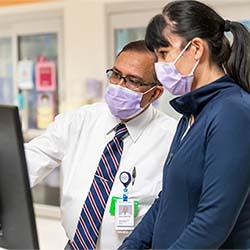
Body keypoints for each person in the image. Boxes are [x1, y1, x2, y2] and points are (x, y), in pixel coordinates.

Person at [118, 1, 250, 249]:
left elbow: (212, 223)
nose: (159, 67)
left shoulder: (234, 113)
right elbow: (167, 200)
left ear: (196, 49)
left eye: (164, 54)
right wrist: (131, 245)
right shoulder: (190, 115)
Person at [25, 40, 177, 249]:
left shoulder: (172, 139)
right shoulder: (79, 120)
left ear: (155, 93)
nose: (119, 85)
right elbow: (27, 162)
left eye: (133, 80)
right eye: (116, 74)